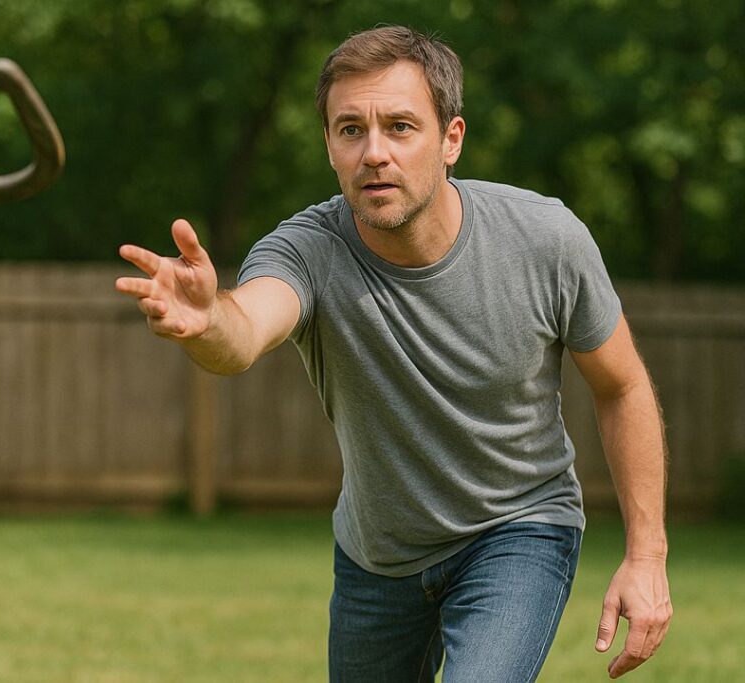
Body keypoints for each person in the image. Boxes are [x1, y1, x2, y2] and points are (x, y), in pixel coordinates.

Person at [116, 25, 672, 682]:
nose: (374, 153)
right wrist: (209, 319)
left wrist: (647, 556)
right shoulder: (307, 250)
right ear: (329, 145)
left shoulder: (544, 241)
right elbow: (244, 332)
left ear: (451, 140)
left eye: (400, 127)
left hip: (517, 529)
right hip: (378, 558)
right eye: (350, 130)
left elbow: (622, 386)